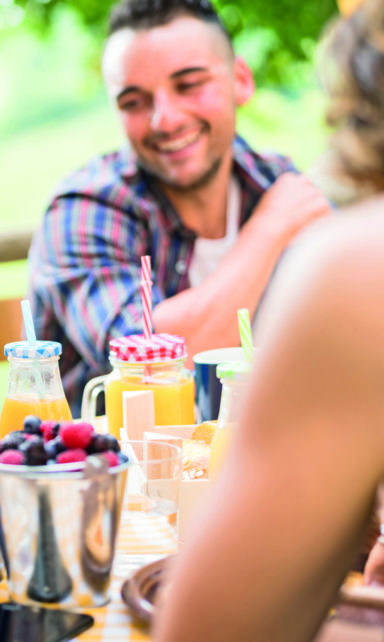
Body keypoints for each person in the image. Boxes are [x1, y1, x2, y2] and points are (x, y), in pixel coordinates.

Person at [154, 0, 384, 638]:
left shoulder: (357, 262)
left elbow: (210, 628)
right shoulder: (92, 203)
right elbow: (146, 346)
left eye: (190, 84)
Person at [27, 0, 332, 415]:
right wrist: (267, 231)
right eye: (134, 101)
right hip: (116, 471)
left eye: (188, 84)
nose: (165, 120)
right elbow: (151, 368)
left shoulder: (277, 183)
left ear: (240, 80)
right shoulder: (83, 211)